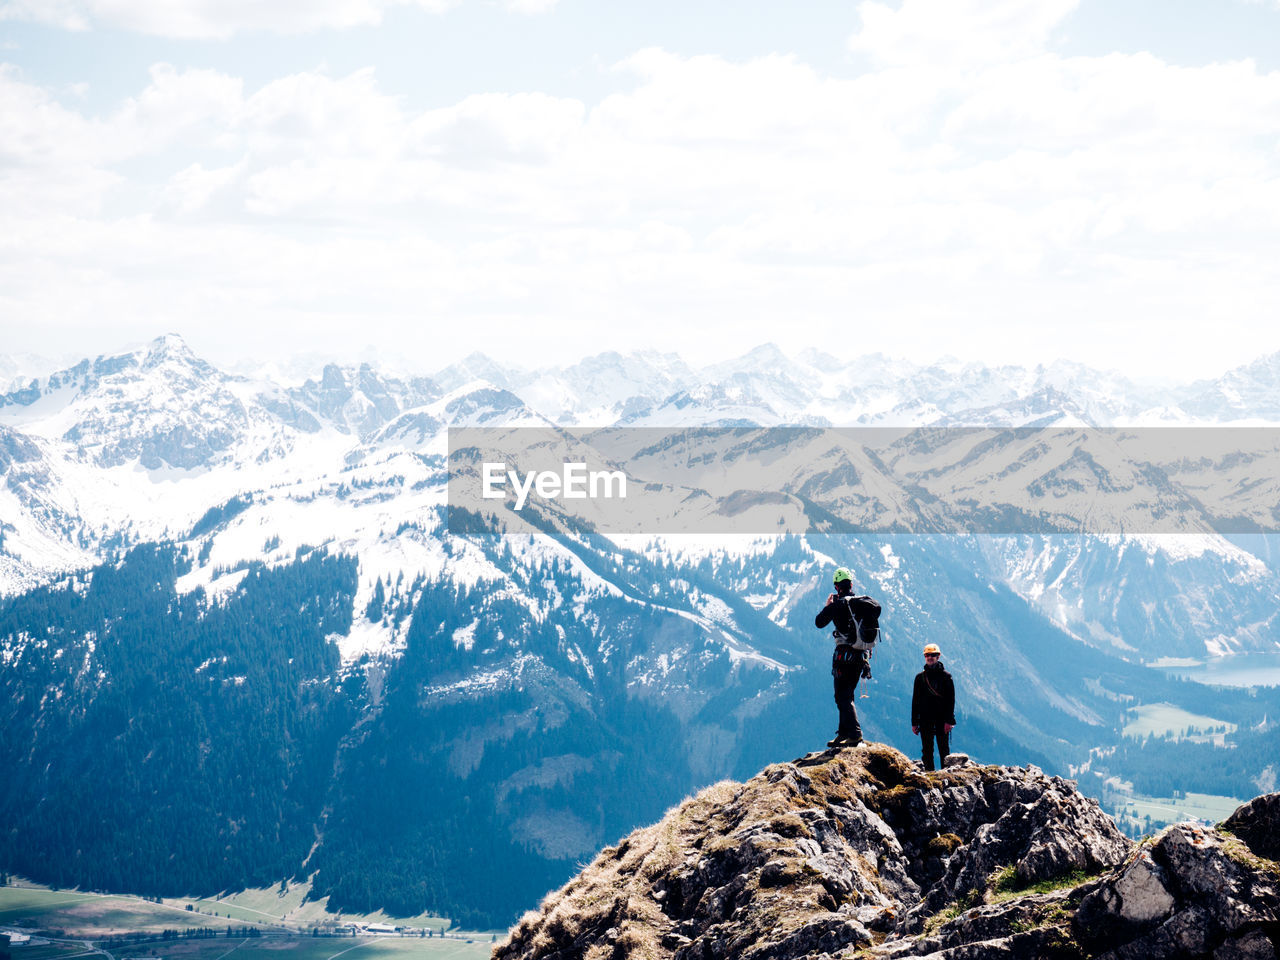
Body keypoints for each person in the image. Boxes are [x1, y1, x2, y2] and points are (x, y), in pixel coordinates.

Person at [814, 567, 880, 748]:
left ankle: (855, 734)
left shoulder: (837, 605)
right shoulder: (860, 603)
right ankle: (843, 734)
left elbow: (819, 622)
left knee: (842, 697)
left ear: (837, 587)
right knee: (846, 695)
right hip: (860, 657)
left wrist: (828, 606)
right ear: (851, 584)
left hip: (843, 657)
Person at [911, 643, 956, 771]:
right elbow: (915, 702)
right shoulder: (919, 678)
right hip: (925, 719)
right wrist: (914, 723)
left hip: (942, 719)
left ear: (938, 656)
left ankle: (945, 774)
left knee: (943, 749)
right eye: (927, 655)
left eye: (933, 655)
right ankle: (929, 774)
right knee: (927, 750)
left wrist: (949, 721)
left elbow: (950, 701)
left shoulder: (947, 677)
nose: (930, 657)